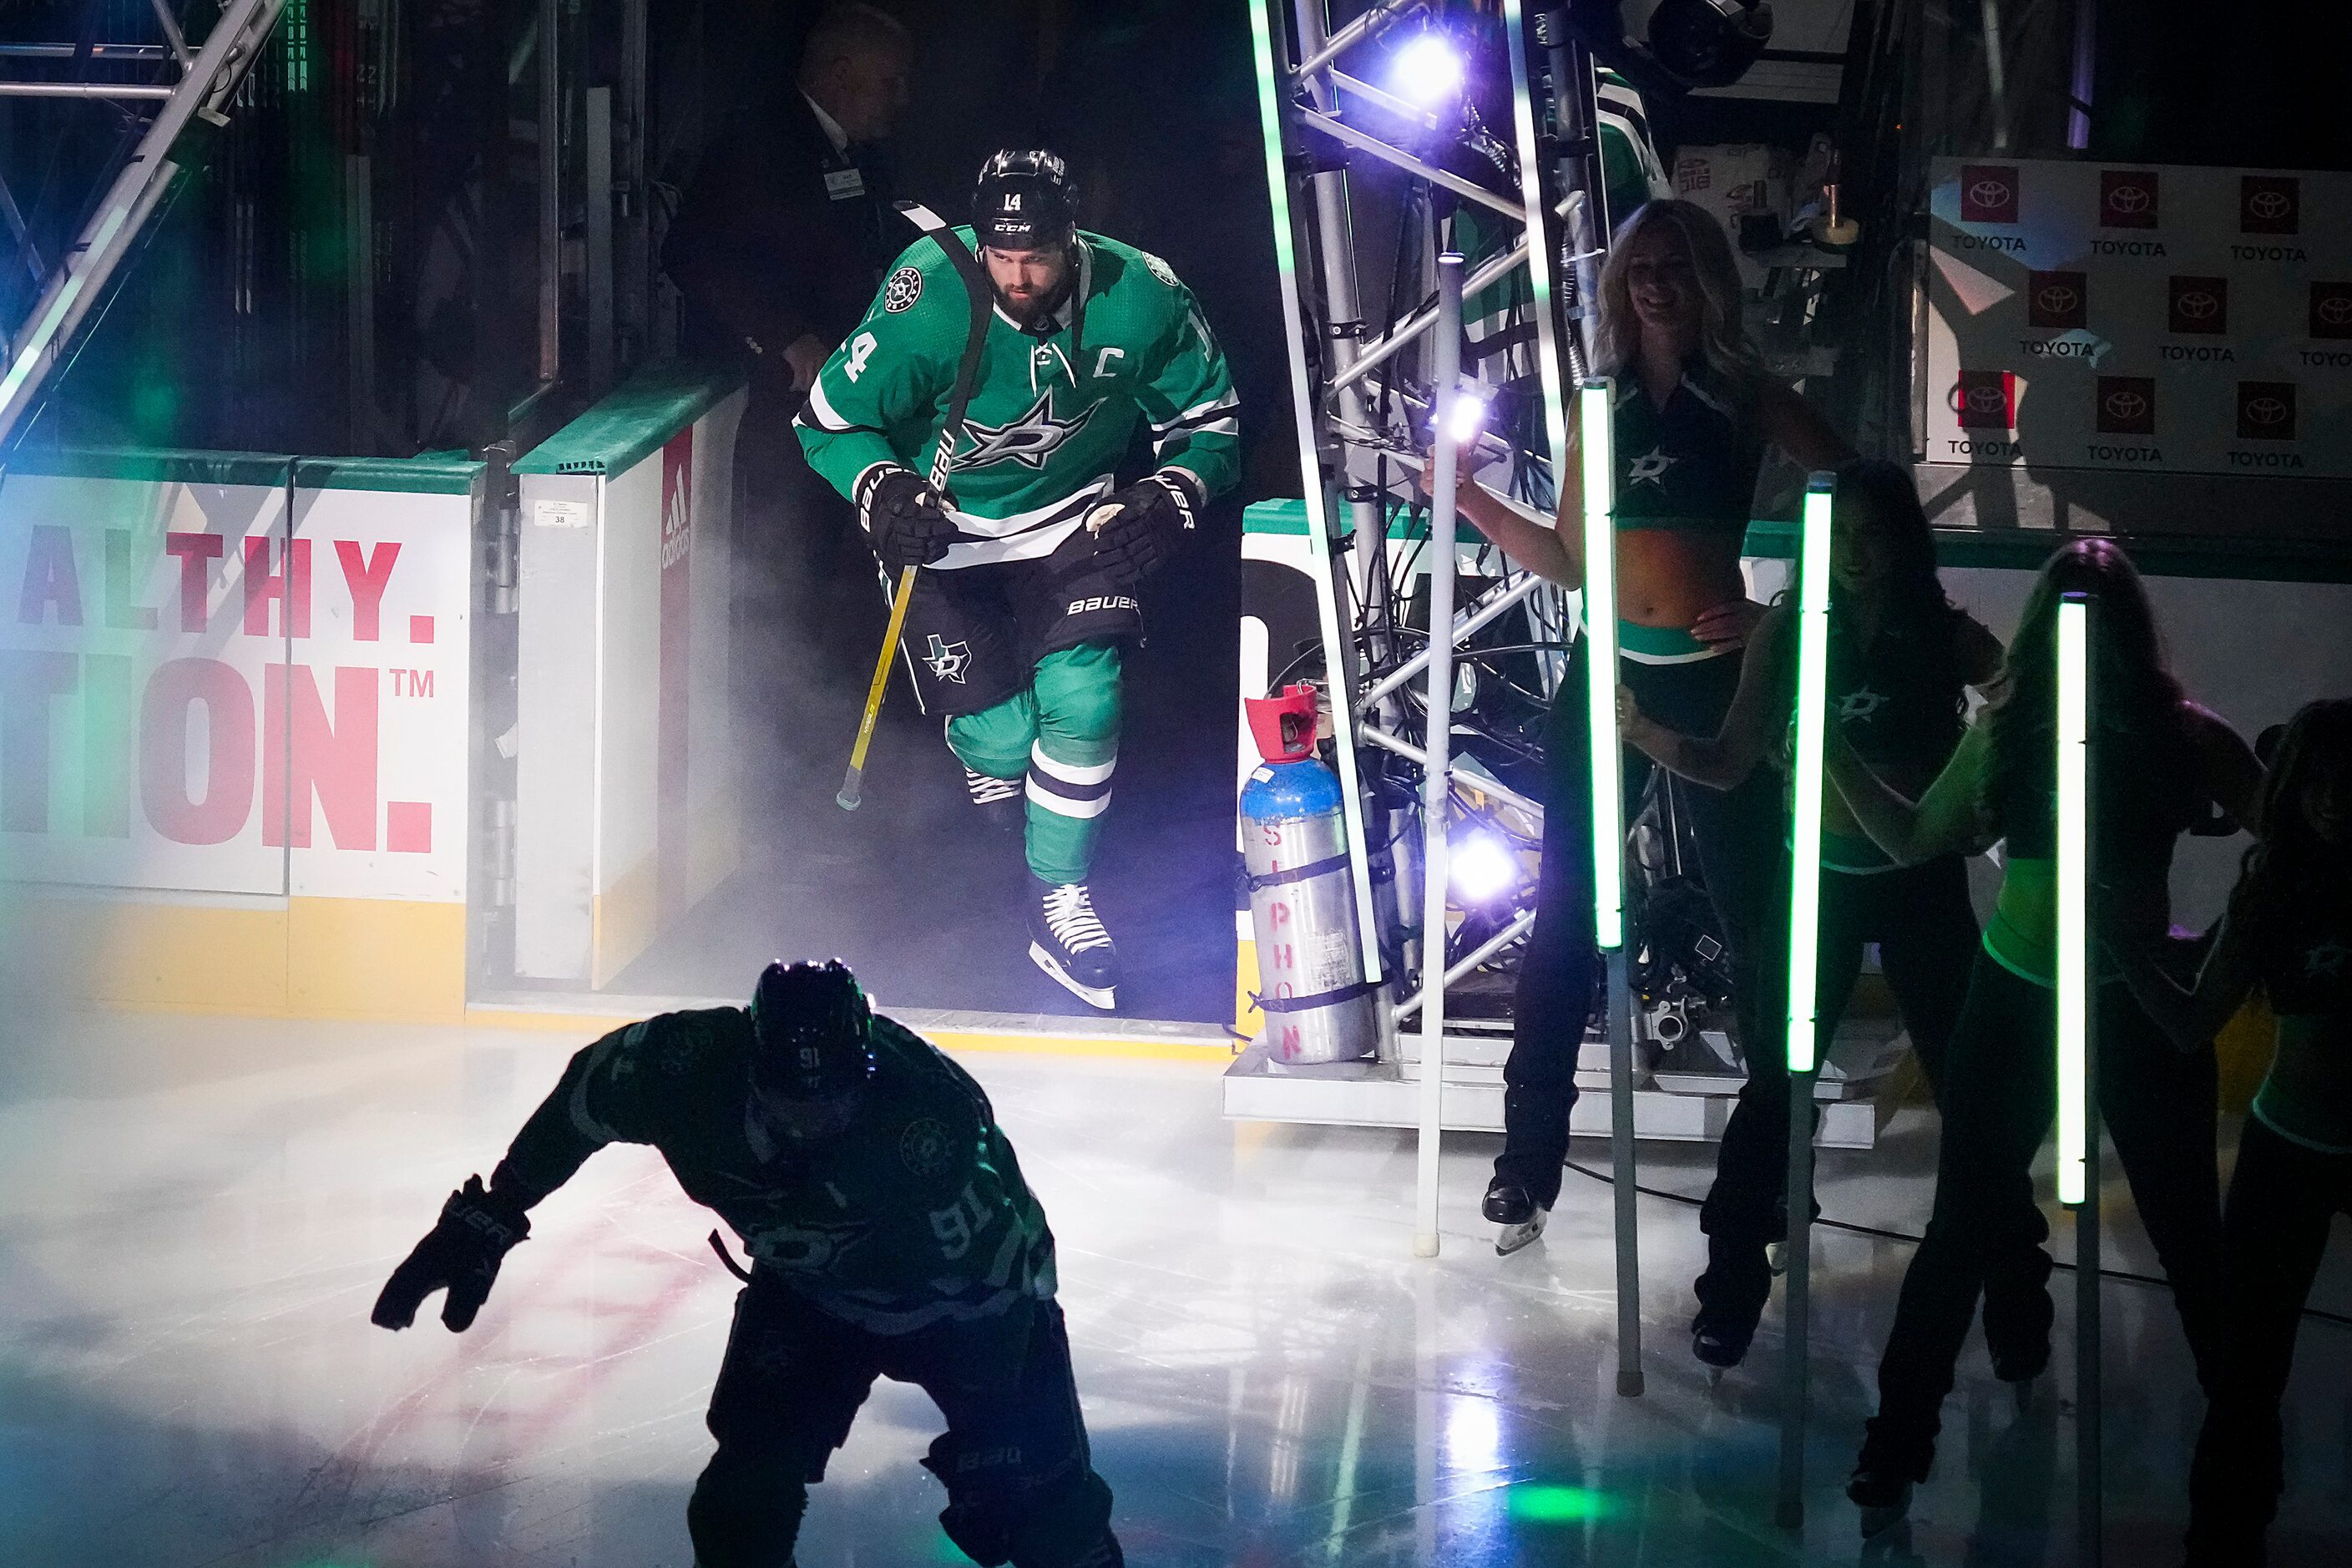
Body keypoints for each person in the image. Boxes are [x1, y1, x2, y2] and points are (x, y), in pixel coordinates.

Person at [371, 959, 1124, 1568]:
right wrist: (498, 1211)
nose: (813, 1119)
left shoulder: (926, 1123)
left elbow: (1002, 1273)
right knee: (738, 1507)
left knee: (1046, 1524)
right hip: (808, 1297)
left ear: (864, 1073)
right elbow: (582, 1100)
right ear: (751, 1068)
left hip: (971, 1308)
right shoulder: (683, 1067)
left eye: (834, 1099)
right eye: (790, 1100)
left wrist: (995, 1430)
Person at [1436, 198, 1853, 1251]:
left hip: (1720, 683)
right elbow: (1575, 560)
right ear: (1619, 284)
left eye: (1675, 265)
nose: (1655, 282)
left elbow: (1862, 493)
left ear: (1710, 277)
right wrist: (1471, 500)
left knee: (1759, 925)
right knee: (1566, 913)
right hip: (1610, 678)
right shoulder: (1602, 397)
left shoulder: (1746, 392)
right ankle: (1525, 1169)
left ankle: (1775, 1175)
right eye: (1639, 268)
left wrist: (1791, 612)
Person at [1825, 539, 2262, 1533]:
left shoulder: (2184, 734)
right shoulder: (2014, 731)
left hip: (2138, 1001)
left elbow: (2292, 849)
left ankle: (2243, 1466)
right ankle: (1893, 1454)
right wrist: (1833, 756)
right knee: (1960, 1233)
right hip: (2020, 994)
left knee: (2192, 1243)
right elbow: (1916, 837)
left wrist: (2213, 953)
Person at [794, 149, 1239, 1011]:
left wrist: (1174, 491)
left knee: (1087, 699)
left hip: (1074, 522)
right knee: (1003, 742)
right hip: (945, 539)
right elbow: (826, 420)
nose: (1020, 276)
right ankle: (998, 761)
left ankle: (1058, 900)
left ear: (1073, 238)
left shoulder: (1140, 291)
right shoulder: (928, 296)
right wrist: (880, 487)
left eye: (1037, 256)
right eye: (1003, 258)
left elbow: (1211, 421)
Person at [1617, 458, 2006, 1370]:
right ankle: (1732, 1293)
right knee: (1776, 1089)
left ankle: (2015, 1300)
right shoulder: (1790, 629)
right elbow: (1725, 760)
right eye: (1844, 539)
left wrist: (1999, 774)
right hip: (1817, 884)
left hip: (1920, 884)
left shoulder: (1941, 633)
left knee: (1972, 1094)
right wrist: (1639, 731)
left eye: (1877, 538)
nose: (1860, 556)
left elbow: (2027, 695)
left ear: (1906, 543)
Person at [2109, 698, 2352, 1567]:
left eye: (2346, 783)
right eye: (2314, 783)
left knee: (2248, 1370)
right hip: (2286, 1145)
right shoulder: (2271, 890)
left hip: (2296, 1145)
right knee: (2247, 1374)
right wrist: (2119, 945)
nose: (2330, 801)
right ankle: (2223, 1538)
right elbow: (2189, 1021)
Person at [661, 3, 914, 792]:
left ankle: (820, 721)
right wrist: (787, 339)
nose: (897, 101)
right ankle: (767, 744)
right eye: (886, 85)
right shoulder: (762, 142)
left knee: (835, 556)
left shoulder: (862, 157)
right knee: (781, 561)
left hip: (851, 394)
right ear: (839, 77)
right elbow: (692, 253)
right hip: (778, 400)